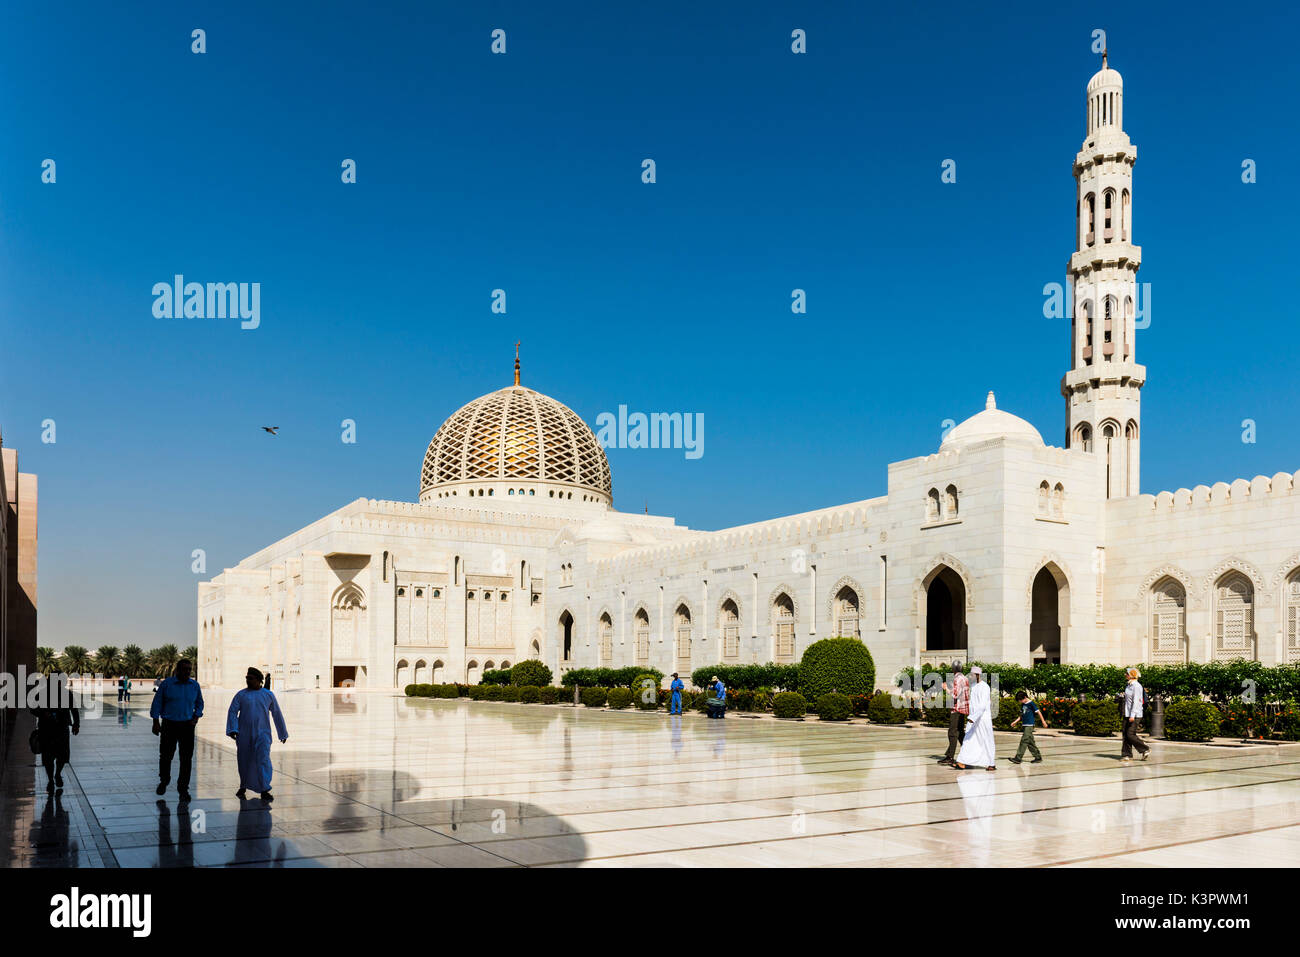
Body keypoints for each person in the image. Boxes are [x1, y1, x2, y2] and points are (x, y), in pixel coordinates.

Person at [226, 667, 289, 801]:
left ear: (259, 680)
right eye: (247, 678)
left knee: (263, 760)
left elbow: (276, 713)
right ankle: (243, 785)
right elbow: (232, 711)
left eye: (251, 678)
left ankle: (264, 789)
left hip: (263, 734)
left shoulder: (268, 695)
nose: (248, 681)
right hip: (244, 735)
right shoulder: (241, 695)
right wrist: (233, 729)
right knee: (244, 761)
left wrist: (282, 733)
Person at [150, 659, 204, 801]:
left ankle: (183, 788)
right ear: (177, 670)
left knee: (186, 758)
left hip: (187, 726)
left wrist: (196, 717)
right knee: (166, 755)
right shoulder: (167, 684)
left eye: (189, 669)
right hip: (169, 725)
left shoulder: (194, 685)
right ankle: (164, 780)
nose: (187, 672)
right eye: (184, 669)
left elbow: (200, 702)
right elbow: (157, 702)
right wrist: (155, 721)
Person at [29, 674, 80, 791]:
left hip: (62, 729)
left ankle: (57, 774)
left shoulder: (67, 694)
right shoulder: (42, 693)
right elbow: (32, 708)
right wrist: (43, 713)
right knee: (48, 756)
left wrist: (76, 724)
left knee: (62, 755)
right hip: (46, 729)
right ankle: (51, 780)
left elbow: (74, 709)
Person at [953, 666, 995, 771]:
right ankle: (962, 761)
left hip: (982, 719)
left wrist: (973, 717)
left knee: (986, 740)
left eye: (972, 675)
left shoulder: (985, 687)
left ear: (977, 675)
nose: (970, 676)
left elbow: (983, 704)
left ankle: (991, 763)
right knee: (968, 739)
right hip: (973, 718)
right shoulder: (973, 686)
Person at [938, 663, 969, 766]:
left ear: (953, 669)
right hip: (963, 709)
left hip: (956, 709)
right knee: (960, 732)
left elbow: (955, 695)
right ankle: (968, 753)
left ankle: (950, 757)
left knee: (952, 732)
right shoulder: (965, 678)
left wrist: (945, 688)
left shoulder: (956, 679)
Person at [1008, 690, 1047, 764]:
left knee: (1024, 740)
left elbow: (1039, 712)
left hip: (1030, 725)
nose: (1020, 702)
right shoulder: (1023, 704)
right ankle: (1038, 757)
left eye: (1021, 700)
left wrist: (1043, 721)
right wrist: (1015, 722)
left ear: (1025, 697)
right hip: (1024, 724)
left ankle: (1018, 758)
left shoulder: (1031, 703)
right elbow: (1022, 715)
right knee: (1030, 742)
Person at [1121, 667, 1151, 762]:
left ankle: (1145, 749)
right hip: (1127, 713)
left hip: (1135, 714)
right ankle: (1127, 755)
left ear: (1132, 675)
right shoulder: (1128, 686)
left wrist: (1132, 715)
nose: (1125, 675)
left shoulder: (1137, 686)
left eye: (1127, 673)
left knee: (1130, 734)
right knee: (1125, 734)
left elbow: (1136, 702)